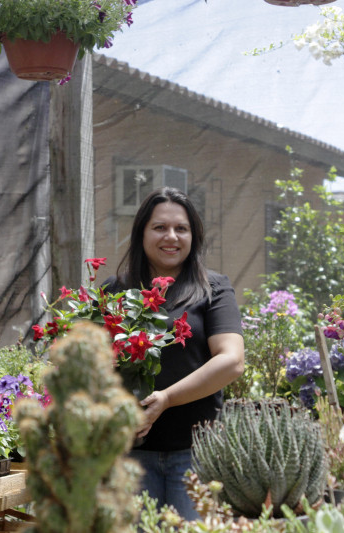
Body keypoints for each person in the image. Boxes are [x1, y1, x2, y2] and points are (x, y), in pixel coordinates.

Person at [103, 187, 245, 520]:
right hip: (129, 455)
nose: (171, 236)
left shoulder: (213, 289)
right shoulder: (116, 291)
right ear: (141, 234)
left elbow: (232, 361)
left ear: (194, 236)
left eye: (181, 228)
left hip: (195, 452)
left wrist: (166, 399)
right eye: (160, 227)